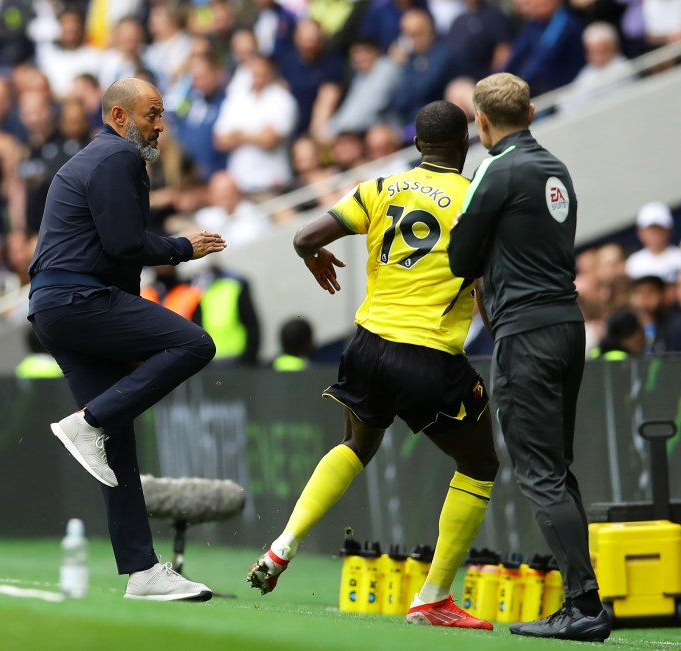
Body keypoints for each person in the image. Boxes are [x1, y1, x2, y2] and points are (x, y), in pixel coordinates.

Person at [247, 100, 500, 631]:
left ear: (416, 145)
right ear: (465, 144)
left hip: (367, 345)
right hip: (427, 353)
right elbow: (486, 281)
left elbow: (303, 237)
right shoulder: (476, 197)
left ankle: (281, 548)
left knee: (356, 446)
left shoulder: (381, 187)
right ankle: (433, 597)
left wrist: (315, 257)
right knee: (480, 465)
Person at [28, 77, 226, 601]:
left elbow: (110, 249)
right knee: (194, 345)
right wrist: (183, 246)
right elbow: (122, 244)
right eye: (152, 114)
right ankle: (85, 423)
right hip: (79, 300)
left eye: (162, 116)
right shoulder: (118, 158)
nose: (160, 125)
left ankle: (142, 571)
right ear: (119, 117)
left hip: (55, 306)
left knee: (117, 440)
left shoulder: (93, 159)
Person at [447, 72, 611, 642]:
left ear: (481, 122)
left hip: (526, 334)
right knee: (556, 471)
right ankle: (581, 598)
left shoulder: (496, 167)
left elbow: (459, 256)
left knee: (540, 473)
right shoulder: (554, 168)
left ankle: (585, 604)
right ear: (534, 112)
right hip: (568, 326)